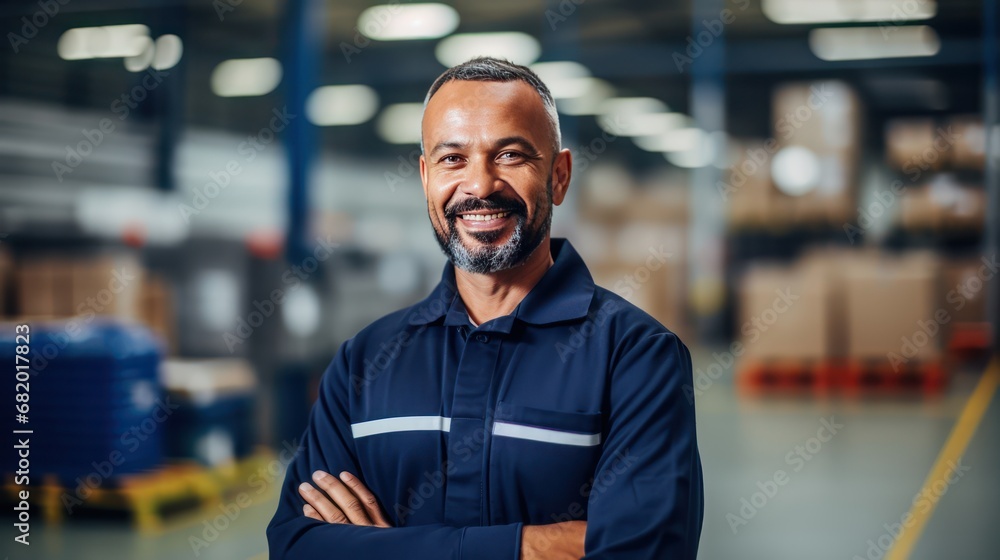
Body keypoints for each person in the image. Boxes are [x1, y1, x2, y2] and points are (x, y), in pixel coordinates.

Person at [267, 56, 703, 560]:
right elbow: (297, 545)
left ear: (559, 177)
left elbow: (644, 552)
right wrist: (534, 546)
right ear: (426, 177)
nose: (480, 185)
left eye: (511, 155)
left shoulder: (637, 357)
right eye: (453, 159)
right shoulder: (365, 361)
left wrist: (384, 549)